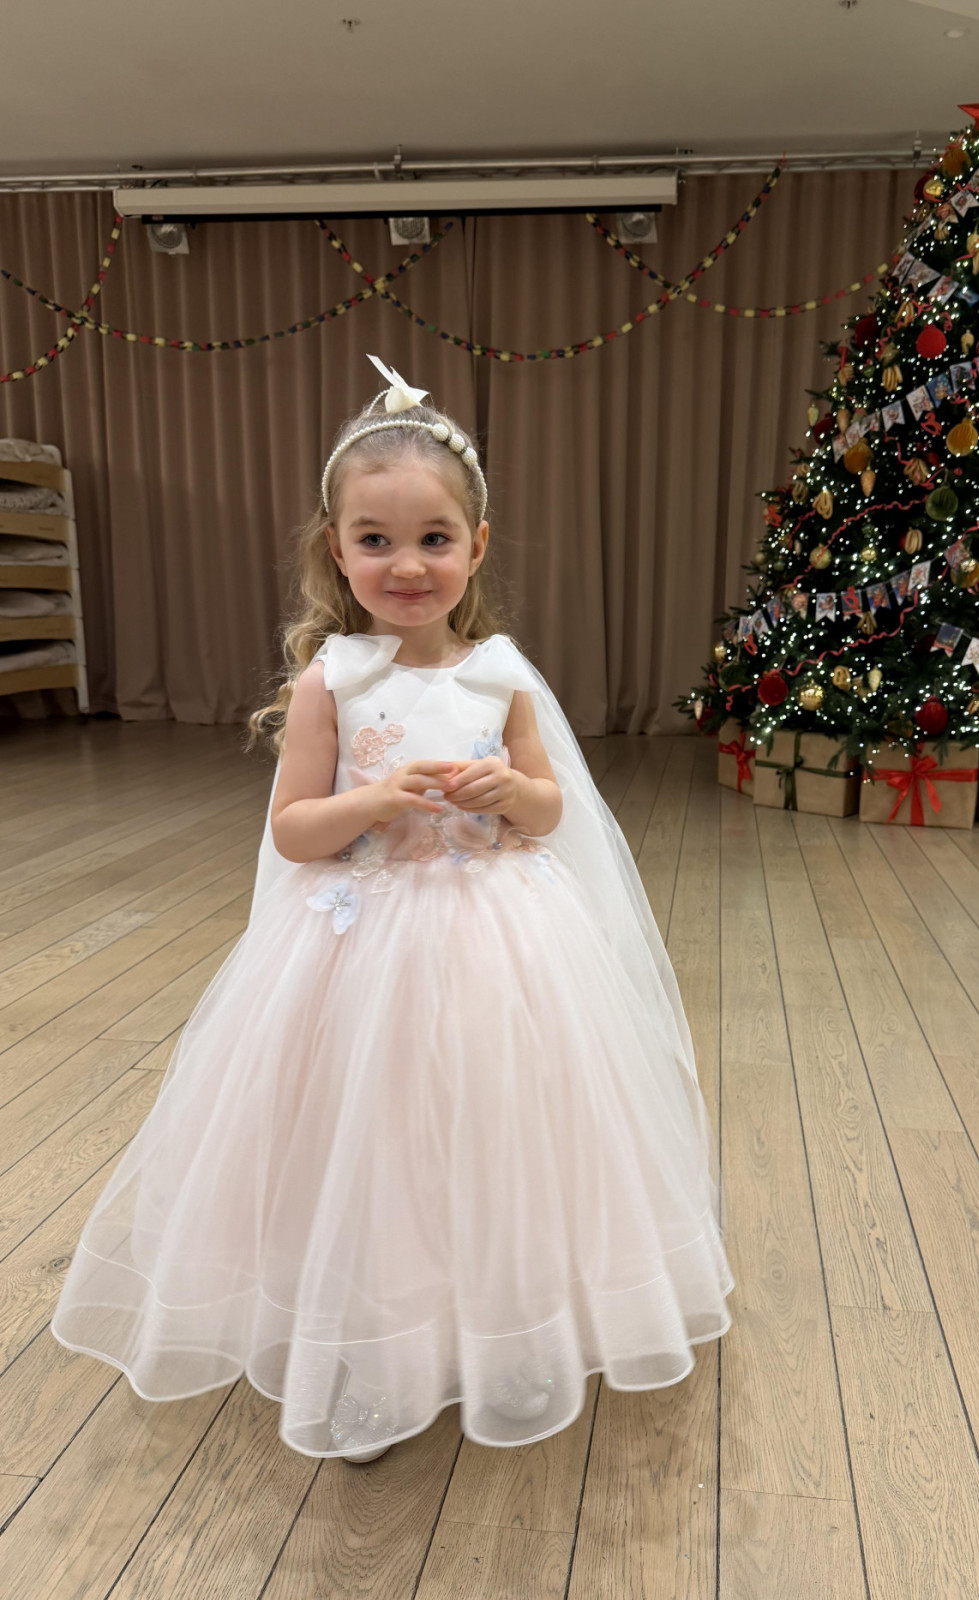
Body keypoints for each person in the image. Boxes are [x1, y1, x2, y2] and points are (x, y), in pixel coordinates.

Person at [50, 356, 735, 1461]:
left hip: (495, 939)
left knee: (502, 1128)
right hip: (359, 945)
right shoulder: (333, 681)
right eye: (375, 539)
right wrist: (370, 800)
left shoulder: (500, 673)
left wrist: (510, 793)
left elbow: (551, 807)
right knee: (372, 1146)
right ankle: (374, 1349)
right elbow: (292, 829)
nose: (407, 564)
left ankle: (508, 1322)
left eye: (434, 538)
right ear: (337, 549)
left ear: (477, 545)